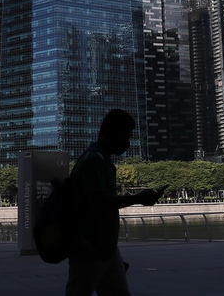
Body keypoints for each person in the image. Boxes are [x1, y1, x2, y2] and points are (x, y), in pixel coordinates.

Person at [64, 109, 165, 296]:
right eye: (124, 136)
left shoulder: (101, 160)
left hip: (107, 249)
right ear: (109, 132)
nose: (127, 143)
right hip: (89, 247)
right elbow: (99, 201)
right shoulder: (93, 161)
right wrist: (138, 198)